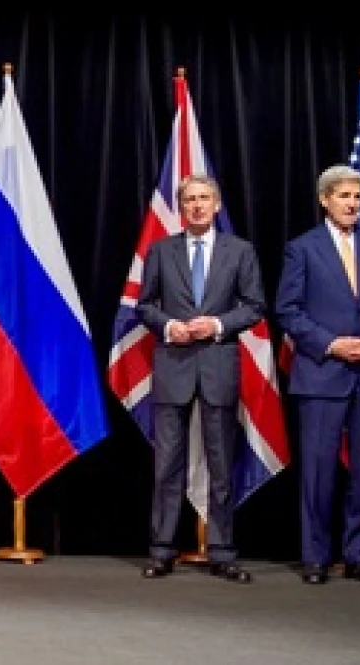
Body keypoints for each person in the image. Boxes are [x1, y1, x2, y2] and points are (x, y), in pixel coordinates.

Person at [275, 163, 360, 587]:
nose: (352, 204)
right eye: (344, 196)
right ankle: (315, 557)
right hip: (322, 372)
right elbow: (288, 310)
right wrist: (333, 344)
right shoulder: (303, 248)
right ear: (324, 199)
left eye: (357, 197)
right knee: (318, 470)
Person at [135, 174, 265, 584]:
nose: (197, 206)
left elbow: (254, 306)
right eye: (190, 199)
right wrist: (170, 325)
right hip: (173, 366)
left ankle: (222, 551)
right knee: (166, 465)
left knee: (221, 464)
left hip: (217, 367)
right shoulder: (161, 251)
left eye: (204, 199)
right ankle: (161, 549)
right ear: (181, 207)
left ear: (217, 204)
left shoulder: (240, 252)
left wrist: (217, 324)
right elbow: (144, 306)